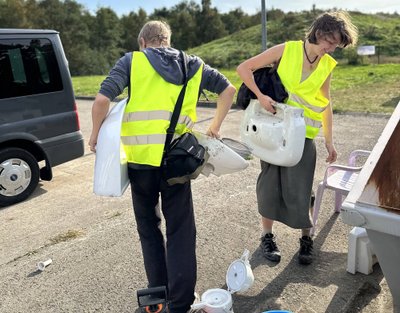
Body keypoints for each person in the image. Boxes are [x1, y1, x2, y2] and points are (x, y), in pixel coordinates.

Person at [89, 21, 236, 313]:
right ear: (167, 41)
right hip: (177, 163)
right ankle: (180, 303)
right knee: (181, 231)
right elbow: (229, 90)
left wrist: (95, 135)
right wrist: (216, 126)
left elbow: (102, 100)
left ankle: (157, 297)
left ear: (143, 42)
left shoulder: (132, 61)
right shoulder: (193, 64)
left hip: (140, 163)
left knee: (149, 229)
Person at [236, 11, 358, 265]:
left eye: (336, 44)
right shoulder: (287, 50)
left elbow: (325, 102)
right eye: (331, 41)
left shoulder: (327, 65)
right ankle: (267, 237)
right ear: (320, 32)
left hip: (303, 134)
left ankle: (306, 239)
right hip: (273, 131)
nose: (332, 48)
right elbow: (244, 68)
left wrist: (329, 139)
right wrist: (260, 95)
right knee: (269, 185)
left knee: (302, 188)